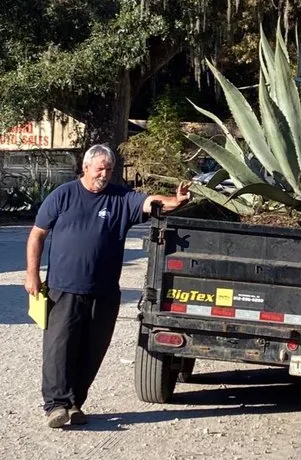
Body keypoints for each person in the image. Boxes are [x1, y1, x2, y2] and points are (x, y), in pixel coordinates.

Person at [24, 144, 190, 429]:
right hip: (64, 288)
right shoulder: (63, 195)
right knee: (59, 349)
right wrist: (32, 275)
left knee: (92, 350)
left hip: (104, 292)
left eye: (109, 169)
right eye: (99, 168)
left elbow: (151, 202)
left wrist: (176, 201)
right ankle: (55, 405)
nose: (103, 174)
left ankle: (74, 403)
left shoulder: (121, 198)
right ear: (86, 167)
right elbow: (37, 235)